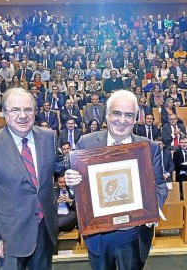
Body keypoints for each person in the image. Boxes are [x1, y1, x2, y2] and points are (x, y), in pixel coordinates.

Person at [65, 89, 168, 270]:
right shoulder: (85, 143)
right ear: (107, 115)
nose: (122, 120)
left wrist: (153, 208)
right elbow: (78, 191)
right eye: (117, 113)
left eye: (129, 115)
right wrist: (72, 184)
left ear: (136, 118)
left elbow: (160, 185)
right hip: (98, 234)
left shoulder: (149, 147)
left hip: (134, 234)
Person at [0, 88, 58, 270]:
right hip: (9, 237)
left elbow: (58, 168)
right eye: (15, 110)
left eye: (28, 109)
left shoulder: (48, 137)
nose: (23, 115)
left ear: (35, 111)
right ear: (4, 113)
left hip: (44, 229)